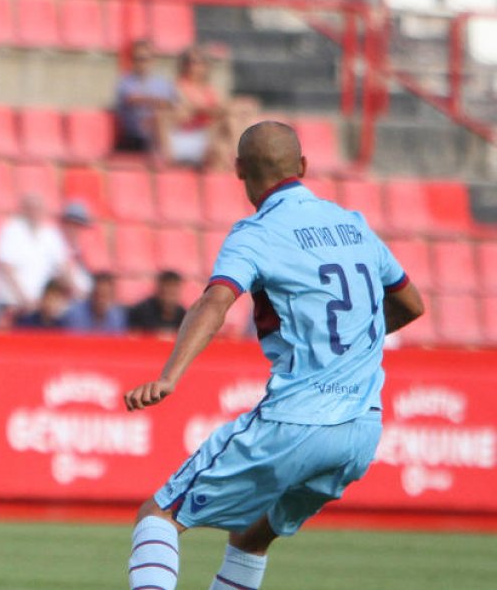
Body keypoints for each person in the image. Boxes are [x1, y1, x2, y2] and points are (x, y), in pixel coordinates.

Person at [122, 121, 425, 590]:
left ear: (238, 169)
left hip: (297, 420)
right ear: (303, 166)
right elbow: (411, 304)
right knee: (250, 536)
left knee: (159, 516)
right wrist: (353, 345)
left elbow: (215, 302)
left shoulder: (256, 234)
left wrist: (169, 377)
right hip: (361, 430)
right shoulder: (354, 225)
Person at [0, 193, 68, 323]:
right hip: (13, 304)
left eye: (38, 209)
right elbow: (6, 269)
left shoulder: (51, 234)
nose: (35, 213)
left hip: (42, 307)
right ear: (24, 210)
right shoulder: (11, 231)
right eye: (31, 208)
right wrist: (25, 299)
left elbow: (64, 268)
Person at [169, 46, 234, 170]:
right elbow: (195, 109)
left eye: (200, 62)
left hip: (208, 134)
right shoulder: (178, 86)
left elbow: (220, 107)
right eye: (191, 62)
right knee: (227, 126)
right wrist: (221, 111)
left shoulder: (209, 89)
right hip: (189, 134)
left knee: (223, 146)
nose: (195, 66)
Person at [114, 40, 176, 155]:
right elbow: (133, 99)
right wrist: (160, 103)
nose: (141, 63)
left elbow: (173, 105)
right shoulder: (125, 81)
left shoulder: (163, 83)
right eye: (137, 59)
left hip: (161, 132)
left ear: (153, 60)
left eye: (145, 59)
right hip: (137, 137)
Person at [62, 271, 128, 334]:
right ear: (92, 294)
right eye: (99, 295)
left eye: (106, 296)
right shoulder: (74, 315)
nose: (101, 300)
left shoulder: (117, 318)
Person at [128, 269, 188, 334]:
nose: (169, 299)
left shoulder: (184, 316)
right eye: (166, 293)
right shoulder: (142, 312)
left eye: (172, 293)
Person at [59, 201, 95, 301]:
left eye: (80, 226)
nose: (77, 230)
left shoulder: (79, 250)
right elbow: (63, 277)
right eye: (74, 225)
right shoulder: (57, 246)